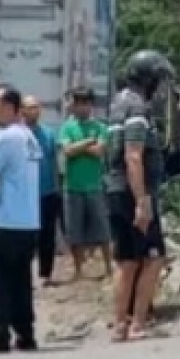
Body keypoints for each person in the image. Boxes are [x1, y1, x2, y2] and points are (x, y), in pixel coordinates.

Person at [107, 50, 174, 340]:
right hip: (133, 193)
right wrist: (143, 201)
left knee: (127, 261)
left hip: (114, 191)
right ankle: (138, 324)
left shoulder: (117, 104)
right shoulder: (138, 109)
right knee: (153, 258)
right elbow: (133, 156)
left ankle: (121, 323)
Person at [0, 84, 41, 353]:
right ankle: (25, 334)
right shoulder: (28, 136)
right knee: (21, 281)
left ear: (8, 108)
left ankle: (0, 335)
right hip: (29, 220)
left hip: (6, 220)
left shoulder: (6, 137)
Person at [58, 87, 112, 281]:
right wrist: (89, 141)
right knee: (74, 231)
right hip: (72, 186)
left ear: (91, 105)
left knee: (103, 229)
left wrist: (79, 145)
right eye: (77, 103)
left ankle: (108, 267)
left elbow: (99, 152)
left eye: (85, 103)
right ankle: (78, 270)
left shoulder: (101, 127)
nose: (81, 108)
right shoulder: (67, 127)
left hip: (94, 185)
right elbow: (68, 151)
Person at [23, 95, 62, 286]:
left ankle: (45, 274)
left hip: (47, 192)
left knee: (47, 236)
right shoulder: (18, 134)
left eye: (36, 107)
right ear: (22, 111)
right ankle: (24, 275)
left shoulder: (48, 133)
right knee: (26, 237)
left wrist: (58, 188)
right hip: (25, 195)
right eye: (30, 107)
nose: (34, 111)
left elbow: (55, 162)